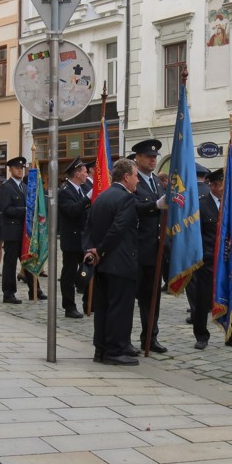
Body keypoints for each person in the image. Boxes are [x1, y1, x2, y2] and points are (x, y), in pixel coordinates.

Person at [83, 158, 141, 366]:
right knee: (119, 308)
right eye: (135, 176)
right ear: (126, 177)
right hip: (119, 262)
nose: (137, 181)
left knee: (104, 307)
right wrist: (101, 250)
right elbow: (118, 229)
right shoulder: (125, 198)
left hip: (103, 264)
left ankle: (101, 348)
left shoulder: (102, 196)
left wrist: (91, 250)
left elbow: (88, 226)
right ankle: (115, 350)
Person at [131, 139, 169, 354]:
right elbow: (133, 207)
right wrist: (155, 205)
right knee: (132, 296)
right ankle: (124, 339)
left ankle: (150, 337)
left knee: (152, 297)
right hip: (138, 249)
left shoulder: (156, 181)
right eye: (148, 156)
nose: (153, 160)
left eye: (155, 157)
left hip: (156, 250)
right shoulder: (134, 181)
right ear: (138, 158)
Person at [190, 168, 223, 350]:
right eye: (221, 185)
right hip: (208, 259)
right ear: (213, 186)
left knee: (230, 296)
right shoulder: (202, 205)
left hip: (226, 260)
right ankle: (201, 335)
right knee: (202, 300)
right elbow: (197, 235)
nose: (224, 189)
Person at [59, 158, 91, 319]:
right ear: (77, 174)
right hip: (72, 239)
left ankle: (88, 302)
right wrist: (88, 199)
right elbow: (72, 210)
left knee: (88, 272)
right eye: (84, 172)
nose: (86, 175)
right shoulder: (65, 191)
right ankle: (69, 306)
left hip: (84, 238)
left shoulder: (83, 188)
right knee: (69, 275)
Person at [0, 156, 32, 304]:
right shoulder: (6, 186)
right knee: (10, 263)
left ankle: (35, 290)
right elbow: (6, 209)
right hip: (12, 231)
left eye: (22, 168)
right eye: (17, 168)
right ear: (10, 169)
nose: (20, 170)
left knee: (29, 262)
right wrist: (24, 210)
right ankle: (9, 293)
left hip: (25, 231)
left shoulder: (25, 187)